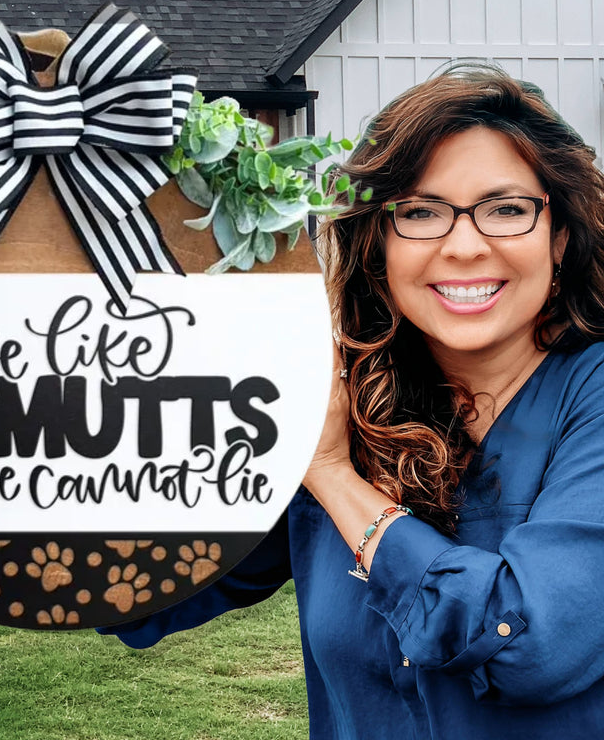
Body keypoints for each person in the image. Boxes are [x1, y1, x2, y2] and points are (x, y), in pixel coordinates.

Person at [100, 64, 604, 738]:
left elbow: (527, 646)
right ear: (378, 245)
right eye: (420, 212)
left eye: (506, 208)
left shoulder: (588, 401)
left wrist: (335, 477)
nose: (463, 246)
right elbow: (138, 592)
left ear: (560, 236)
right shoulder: (345, 402)